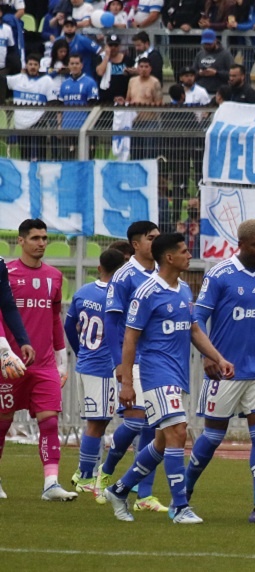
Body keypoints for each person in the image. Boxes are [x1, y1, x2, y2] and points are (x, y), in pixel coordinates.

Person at [104, 232, 235, 524]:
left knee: (163, 442)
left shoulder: (184, 290)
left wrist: (219, 357)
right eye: (185, 251)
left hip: (177, 373)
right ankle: (180, 506)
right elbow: (129, 338)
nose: (190, 255)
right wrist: (127, 382)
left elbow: (194, 330)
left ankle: (119, 489)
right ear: (169, 257)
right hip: (154, 372)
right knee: (178, 431)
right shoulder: (147, 292)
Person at [182, 220, 255, 524]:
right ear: (241, 245)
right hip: (224, 371)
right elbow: (198, 319)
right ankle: (184, 492)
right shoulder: (220, 275)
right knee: (213, 436)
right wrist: (208, 356)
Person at [0, 220, 70, 501]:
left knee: (50, 421)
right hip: (9, 365)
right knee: (2, 423)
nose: (42, 243)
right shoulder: (7, 273)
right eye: (36, 238)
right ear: (21, 241)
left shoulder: (54, 275)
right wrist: (4, 352)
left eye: (45, 238)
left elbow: (54, 318)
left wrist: (61, 358)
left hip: (43, 364)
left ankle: (51, 483)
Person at [99, 221, 165, 512]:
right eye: (151, 239)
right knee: (138, 421)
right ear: (135, 244)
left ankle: (145, 495)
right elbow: (113, 322)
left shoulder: (163, 273)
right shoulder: (125, 275)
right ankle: (106, 471)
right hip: (132, 358)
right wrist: (119, 364)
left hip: (157, 358)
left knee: (155, 425)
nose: (156, 243)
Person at [66, 249, 125, 499]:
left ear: (99, 267)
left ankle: (84, 471)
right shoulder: (117, 296)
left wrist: (80, 351)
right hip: (102, 367)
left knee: (96, 421)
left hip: (85, 363)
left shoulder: (82, 292)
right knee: (97, 423)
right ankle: (86, 475)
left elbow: (69, 326)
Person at [7, 55, 57, 162]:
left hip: (39, 123)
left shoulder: (47, 81)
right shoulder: (18, 79)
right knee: (24, 156)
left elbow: (53, 102)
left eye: (35, 64)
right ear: (26, 65)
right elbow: (3, 82)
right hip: (21, 124)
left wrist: (45, 118)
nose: (32, 67)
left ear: (39, 66)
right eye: (30, 64)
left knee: (41, 156)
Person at [193, 29, 233, 95]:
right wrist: (200, 73)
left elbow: (231, 74)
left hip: (219, 91)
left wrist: (216, 73)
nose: (207, 46)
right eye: (205, 44)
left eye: (209, 44)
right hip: (201, 91)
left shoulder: (226, 55)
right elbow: (193, 72)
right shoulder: (200, 54)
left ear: (215, 41)